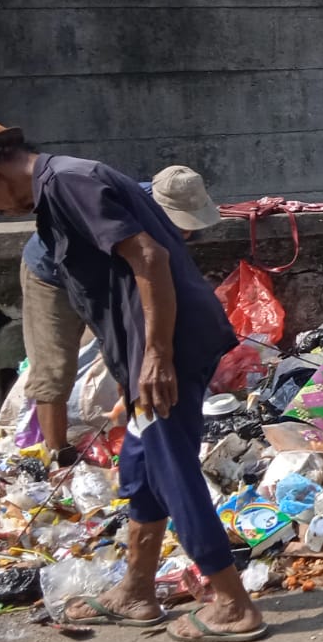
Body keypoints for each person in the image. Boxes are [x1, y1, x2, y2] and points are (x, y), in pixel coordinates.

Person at [0, 121, 266, 642]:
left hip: (168, 346)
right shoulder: (55, 194)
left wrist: (156, 356)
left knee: (168, 464)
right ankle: (137, 590)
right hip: (146, 349)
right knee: (139, 465)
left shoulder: (70, 182)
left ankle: (232, 601)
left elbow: (150, 258)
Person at [20, 165, 223, 464]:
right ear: (157, 206)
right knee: (54, 366)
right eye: (180, 223)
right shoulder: (110, 209)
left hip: (112, 277)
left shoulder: (177, 228)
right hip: (53, 273)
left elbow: (164, 278)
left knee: (132, 352)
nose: (186, 232)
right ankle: (58, 455)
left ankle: (135, 439)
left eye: (190, 224)